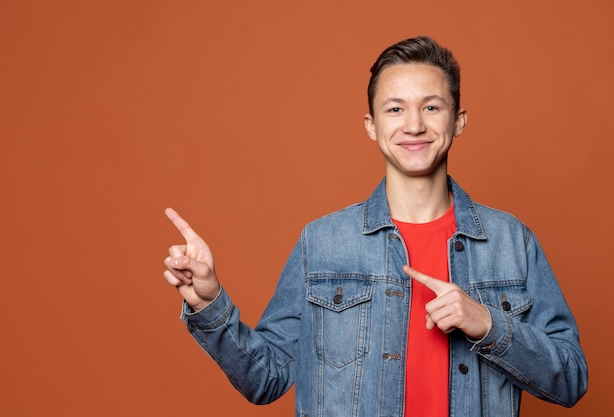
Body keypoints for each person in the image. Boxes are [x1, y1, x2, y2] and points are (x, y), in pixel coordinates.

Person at [163, 36, 588, 417]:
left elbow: (571, 381)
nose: (415, 124)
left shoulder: (512, 242)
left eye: (432, 106)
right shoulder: (323, 242)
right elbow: (266, 379)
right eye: (395, 108)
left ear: (457, 120)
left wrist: (490, 324)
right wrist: (208, 303)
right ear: (373, 126)